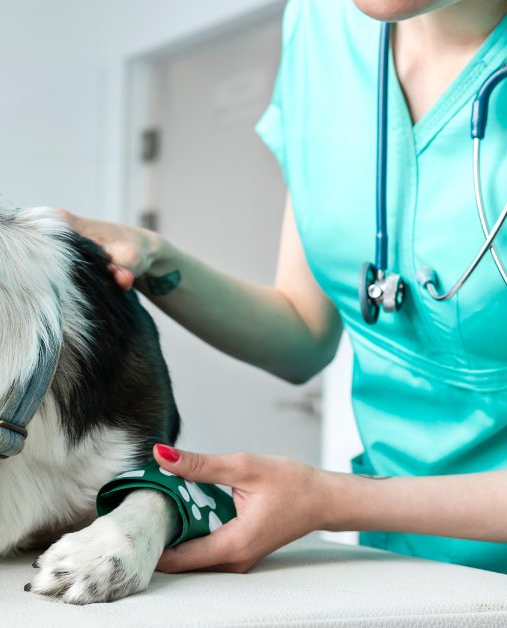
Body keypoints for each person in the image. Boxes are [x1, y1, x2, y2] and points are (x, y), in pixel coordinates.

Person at [64, 0, 507, 575]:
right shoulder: (323, 25)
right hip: (402, 563)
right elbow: (302, 333)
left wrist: (330, 499)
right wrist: (152, 258)